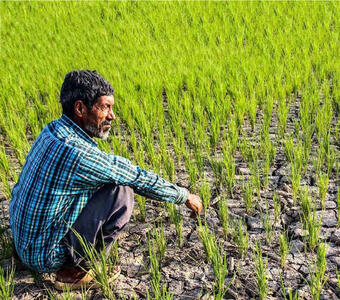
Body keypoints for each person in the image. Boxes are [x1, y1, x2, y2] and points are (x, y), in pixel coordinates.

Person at [9, 70, 202, 289]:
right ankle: (73, 273)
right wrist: (183, 195)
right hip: (44, 255)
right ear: (80, 108)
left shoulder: (52, 130)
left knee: (95, 184)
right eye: (105, 107)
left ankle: (26, 254)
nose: (112, 116)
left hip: (23, 241)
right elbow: (136, 177)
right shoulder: (78, 154)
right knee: (121, 192)